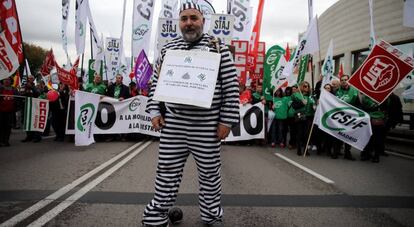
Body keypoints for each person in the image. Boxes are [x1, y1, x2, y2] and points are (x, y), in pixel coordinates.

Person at [142, 3, 240, 227]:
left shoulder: (219, 49)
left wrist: (226, 121)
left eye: (193, 18)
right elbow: (156, 83)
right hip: (174, 126)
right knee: (166, 172)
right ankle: (156, 216)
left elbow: (231, 87)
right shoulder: (168, 49)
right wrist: (155, 110)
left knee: (209, 175)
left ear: (203, 21)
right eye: (184, 18)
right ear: (179, 22)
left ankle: (212, 216)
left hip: (206, 127)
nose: (188, 23)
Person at [332, 75, 357, 160]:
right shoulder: (336, 91)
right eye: (342, 80)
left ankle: (347, 153)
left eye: (345, 80)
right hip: (338, 117)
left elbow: (358, 105)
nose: (343, 81)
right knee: (337, 135)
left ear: (349, 80)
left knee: (347, 135)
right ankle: (335, 152)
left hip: (349, 117)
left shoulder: (354, 91)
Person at [291, 81, 315, 156]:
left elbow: (313, 105)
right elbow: (294, 106)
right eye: (304, 86)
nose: (306, 88)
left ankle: (305, 149)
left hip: (309, 116)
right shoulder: (296, 95)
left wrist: (315, 106)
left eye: (307, 86)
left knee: (306, 133)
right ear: (301, 87)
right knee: (300, 133)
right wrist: (302, 103)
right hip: (300, 115)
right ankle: (299, 149)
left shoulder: (311, 96)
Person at [21, 75, 42, 143]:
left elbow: (38, 93)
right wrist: (25, 92)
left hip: (34, 106)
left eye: (31, 78)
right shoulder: (24, 86)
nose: (30, 79)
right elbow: (20, 94)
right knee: (27, 121)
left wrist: (32, 88)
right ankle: (29, 136)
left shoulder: (36, 86)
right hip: (26, 106)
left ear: (33, 80)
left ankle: (37, 136)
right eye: (29, 78)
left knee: (35, 121)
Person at [0, 77, 19, 146]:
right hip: (1, 111)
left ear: (11, 81)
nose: (7, 81)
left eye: (8, 80)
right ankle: (1, 140)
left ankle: (6, 141)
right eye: (5, 79)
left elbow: (18, 98)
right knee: (1, 126)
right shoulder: (0, 89)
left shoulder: (14, 89)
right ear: (3, 81)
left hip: (10, 112)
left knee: (8, 127)